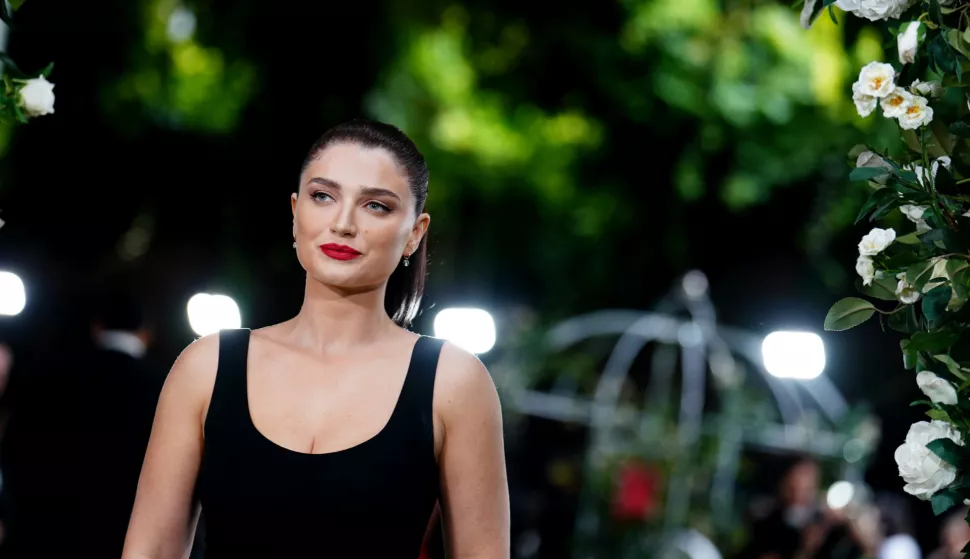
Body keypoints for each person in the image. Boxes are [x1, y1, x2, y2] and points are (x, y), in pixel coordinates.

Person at [122, 119, 511, 558]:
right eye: (323, 196)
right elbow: (149, 549)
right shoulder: (206, 367)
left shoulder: (454, 383)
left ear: (415, 234)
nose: (343, 224)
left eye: (376, 206)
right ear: (295, 212)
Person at [0, 289, 167, 557]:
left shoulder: (52, 378)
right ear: (147, 333)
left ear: (97, 326)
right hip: (129, 540)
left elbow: (16, 451)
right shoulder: (166, 387)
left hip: (53, 536)